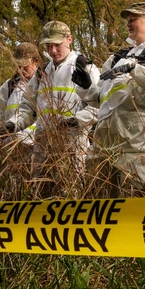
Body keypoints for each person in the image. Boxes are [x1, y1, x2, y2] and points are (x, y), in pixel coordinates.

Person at [93, 2, 145, 195]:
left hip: (137, 147)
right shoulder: (119, 57)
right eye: (127, 21)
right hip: (104, 146)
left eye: (133, 20)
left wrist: (135, 69)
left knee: (134, 206)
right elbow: (98, 99)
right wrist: (83, 87)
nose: (128, 24)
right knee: (100, 206)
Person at [18, 20, 100, 196]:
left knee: (69, 194)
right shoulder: (42, 72)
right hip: (42, 145)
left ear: (69, 39)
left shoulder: (85, 67)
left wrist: (76, 121)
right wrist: (14, 123)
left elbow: (99, 106)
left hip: (72, 145)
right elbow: (27, 105)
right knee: (38, 193)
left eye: (57, 45)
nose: (52, 51)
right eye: (48, 46)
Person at [0, 42, 41, 178]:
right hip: (11, 151)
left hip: (36, 149)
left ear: (36, 61)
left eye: (25, 65)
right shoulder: (10, 85)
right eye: (18, 65)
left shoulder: (45, 82)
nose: (21, 70)